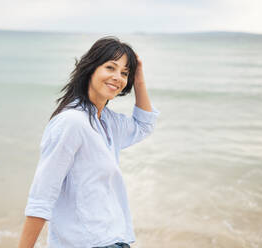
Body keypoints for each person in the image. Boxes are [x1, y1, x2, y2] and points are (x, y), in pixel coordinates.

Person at [18, 36, 160, 248]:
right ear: (91, 69)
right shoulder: (72, 122)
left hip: (115, 240)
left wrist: (138, 78)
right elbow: (42, 196)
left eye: (124, 73)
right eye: (110, 67)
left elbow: (144, 125)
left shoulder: (107, 122)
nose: (117, 77)